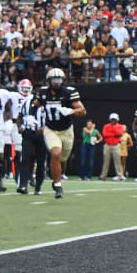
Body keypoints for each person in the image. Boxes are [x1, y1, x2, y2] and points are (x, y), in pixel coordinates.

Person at [31, 68, 86, 198]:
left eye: (59, 80)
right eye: (54, 80)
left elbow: (83, 111)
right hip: (50, 129)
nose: (56, 83)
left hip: (66, 130)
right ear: (49, 81)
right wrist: (30, 116)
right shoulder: (43, 92)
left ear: (63, 81)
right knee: (55, 154)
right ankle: (58, 185)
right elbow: (34, 105)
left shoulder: (68, 93)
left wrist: (71, 111)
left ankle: (56, 173)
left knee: (62, 158)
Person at [15, 83, 48, 195]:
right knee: (25, 158)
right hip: (28, 133)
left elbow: (53, 121)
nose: (38, 94)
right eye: (37, 91)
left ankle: (38, 187)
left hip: (43, 135)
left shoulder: (48, 103)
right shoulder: (27, 101)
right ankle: (23, 185)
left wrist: (44, 128)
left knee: (40, 161)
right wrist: (19, 127)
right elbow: (19, 116)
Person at [100, 113, 125, 181]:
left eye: (114, 119)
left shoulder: (120, 126)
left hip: (116, 145)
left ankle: (120, 176)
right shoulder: (106, 126)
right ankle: (103, 176)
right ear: (110, 119)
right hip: (107, 145)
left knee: (118, 162)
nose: (113, 121)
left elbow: (119, 133)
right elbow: (105, 134)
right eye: (112, 119)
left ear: (117, 120)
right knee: (106, 162)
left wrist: (113, 129)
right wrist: (114, 134)